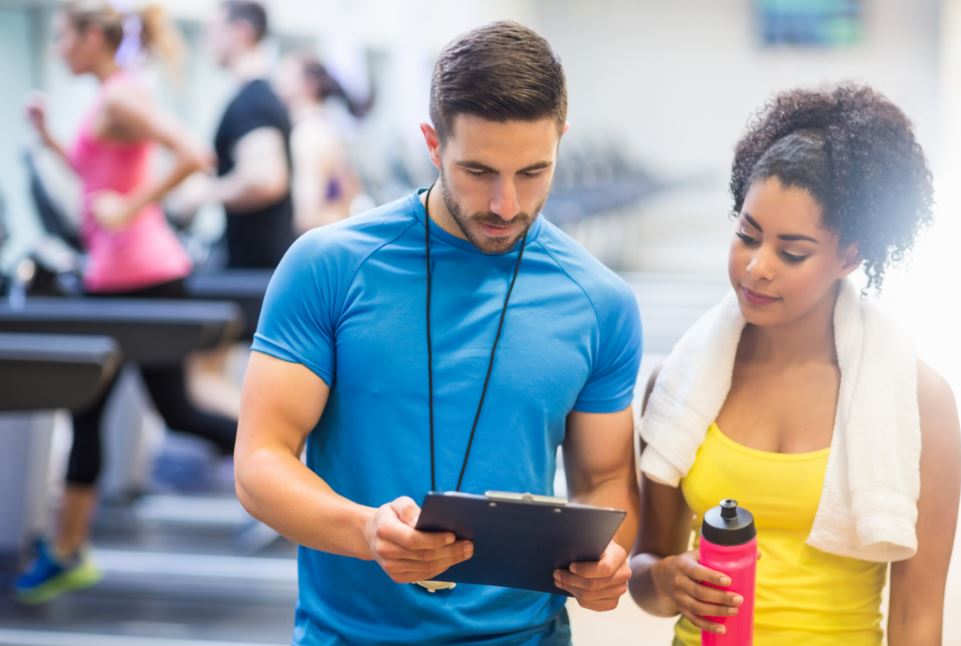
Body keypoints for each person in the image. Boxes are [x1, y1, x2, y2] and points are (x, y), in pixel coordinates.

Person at [235, 21, 642, 645]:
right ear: (432, 144)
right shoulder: (329, 267)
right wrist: (365, 530)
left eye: (533, 172)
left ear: (560, 140)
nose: (506, 205)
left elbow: (606, 479)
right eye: (478, 171)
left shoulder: (600, 301)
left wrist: (606, 559)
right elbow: (261, 461)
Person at [629, 84, 961, 645]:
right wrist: (665, 581)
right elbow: (647, 571)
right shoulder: (679, 382)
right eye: (747, 236)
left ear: (849, 255)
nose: (757, 267)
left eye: (792, 252)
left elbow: (918, 618)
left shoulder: (918, 401)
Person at [14, 1, 238, 603]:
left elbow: (195, 153)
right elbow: (97, 177)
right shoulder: (111, 97)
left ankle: (299, 463)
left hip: (141, 277)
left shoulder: (119, 98)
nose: (58, 47)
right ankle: (67, 551)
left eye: (63, 36)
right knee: (95, 410)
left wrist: (133, 207)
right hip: (117, 278)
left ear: (92, 37)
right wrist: (50, 139)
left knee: (173, 412)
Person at [177, 0, 295, 269]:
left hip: (258, 269)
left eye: (212, 31)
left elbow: (265, 180)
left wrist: (202, 193)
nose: (206, 42)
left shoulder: (253, 101)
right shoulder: (256, 97)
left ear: (241, 32)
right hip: (256, 263)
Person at [275, 51, 373, 233]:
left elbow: (307, 217)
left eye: (286, 75)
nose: (278, 83)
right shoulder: (327, 129)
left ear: (309, 84)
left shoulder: (309, 134)